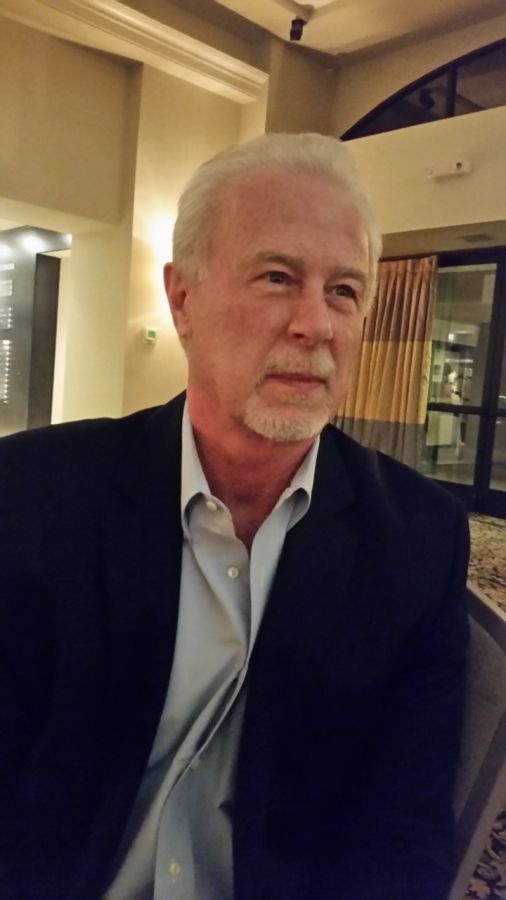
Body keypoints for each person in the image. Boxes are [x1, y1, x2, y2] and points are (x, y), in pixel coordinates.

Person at [0, 133, 469, 900]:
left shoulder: (418, 538)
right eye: (278, 277)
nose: (315, 324)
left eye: (344, 291)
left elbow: (402, 832)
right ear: (183, 299)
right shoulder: (32, 496)